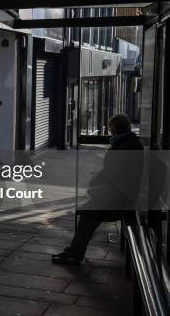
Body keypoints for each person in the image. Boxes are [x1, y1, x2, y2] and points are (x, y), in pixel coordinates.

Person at [52, 114, 143, 266]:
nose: (108, 130)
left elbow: (111, 174)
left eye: (110, 127)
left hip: (120, 197)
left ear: (114, 128)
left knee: (88, 214)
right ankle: (74, 252)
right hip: (122, 193)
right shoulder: (128, 143)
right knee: (88, 212)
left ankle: (74, 254)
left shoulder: (124, 147)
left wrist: (94, 182)